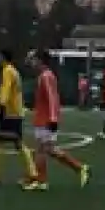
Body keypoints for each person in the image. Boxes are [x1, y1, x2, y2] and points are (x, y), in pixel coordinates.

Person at [24, 50, 89, 191]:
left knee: (44, 149)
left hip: (46, 118)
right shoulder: (44, 76)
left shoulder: (47, 76)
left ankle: (77, 168)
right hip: (42, 117)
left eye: (34, 60)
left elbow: (53, 98)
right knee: (45, 149)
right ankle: (42, 180)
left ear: (41, 61)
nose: (32, 63)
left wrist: (53, 118)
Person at [0, 49, 38, 186]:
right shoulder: (13, 71)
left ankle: (32, 174)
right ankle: (31, 173)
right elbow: (5, 92)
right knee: (12, 143)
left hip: (10, 113)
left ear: (3, 57)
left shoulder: (7, 71)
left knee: (11, 143)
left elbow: (4, 96)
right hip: (15, 112)